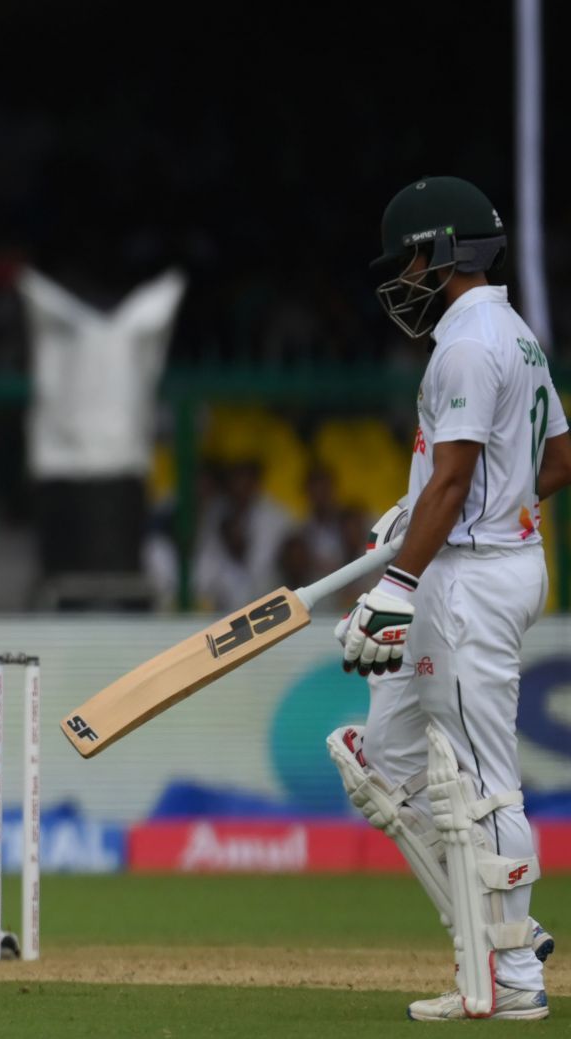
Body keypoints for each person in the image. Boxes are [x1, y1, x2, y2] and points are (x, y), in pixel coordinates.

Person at [327, 175, 568, 1022]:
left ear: (445, 252)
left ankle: (515, 981)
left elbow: (459, 473)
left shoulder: (467, 343)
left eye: (413, 260)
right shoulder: (517, 334)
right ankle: (501, 930)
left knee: (482, 780)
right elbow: (557, 460)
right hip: (481, 559)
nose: (406, 278)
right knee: (380, 766)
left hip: (467, 577)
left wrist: (396, 580)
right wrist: (451, 500)